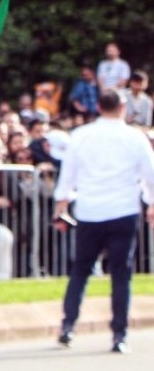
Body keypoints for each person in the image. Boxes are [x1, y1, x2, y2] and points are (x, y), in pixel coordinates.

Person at [53, 90, 154, 354]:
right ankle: (119, 334)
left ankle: (68, 326)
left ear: (98, 106)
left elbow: (68, 175)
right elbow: (150, 173)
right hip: (123, 210)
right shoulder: (135, 137)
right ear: (122, 106)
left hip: (90, 210)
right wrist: (152, 202)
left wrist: (61, 204)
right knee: (121, 274)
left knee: (81, 270)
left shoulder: (81, 135)